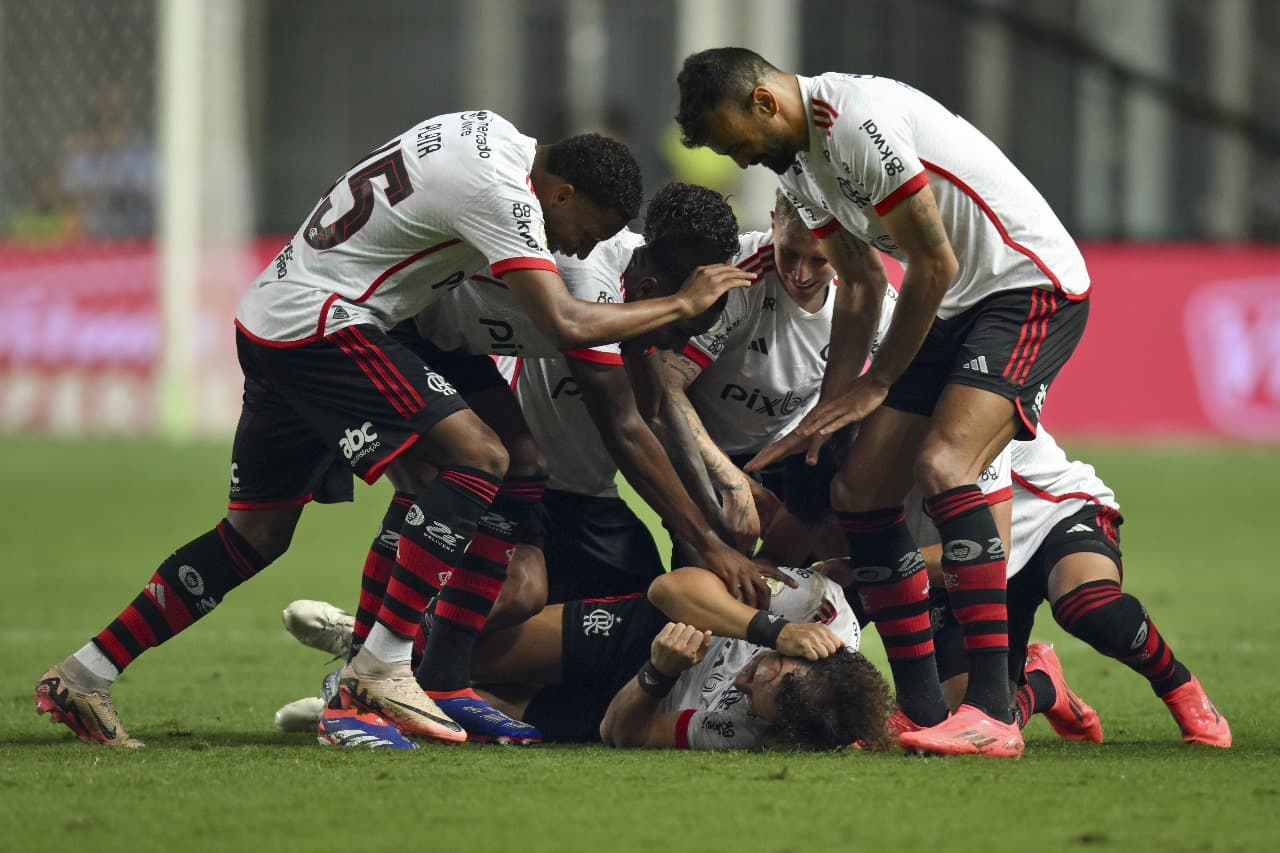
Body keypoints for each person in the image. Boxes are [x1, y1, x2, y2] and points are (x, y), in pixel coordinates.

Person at [34, 111, 753, 748]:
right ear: (558, 193)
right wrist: (681, 306)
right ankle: (378, 666)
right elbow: (574, 336)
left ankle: (87, 671)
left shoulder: (491, 140)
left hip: (279, 315)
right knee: (476, 456)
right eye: (580, 230)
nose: (572, 246)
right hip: (328, 325)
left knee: (257, 535)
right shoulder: (512, 204)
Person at [676, 48, 1092, 757]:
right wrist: (827, 414)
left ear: (765, 104)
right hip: (963, 303)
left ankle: (994, 710)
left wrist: (876, 385)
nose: (738, 158)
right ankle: (925, 709)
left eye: (732, 140)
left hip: (1030, 284)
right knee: (860, 490)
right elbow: (863, 283)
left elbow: (934, 263)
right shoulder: (798, 165)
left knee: (945, 463)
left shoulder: (854, 125)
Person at [278, 562, 893, 751]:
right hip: (655, 625)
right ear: (818, 656)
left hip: (655, 674)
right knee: (484, 651)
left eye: (761, 691)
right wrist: (767, 631)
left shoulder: (752, 733)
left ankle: (355, 700)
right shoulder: (822, 611)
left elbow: (619, 731)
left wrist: (659, 672)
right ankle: (368, 641)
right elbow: (670, 589)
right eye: (777, 670)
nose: (753, 674)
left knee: (491, 720)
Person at [926, 427, 1231, 748]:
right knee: (974, 711)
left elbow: (991, 545)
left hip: (1057, 512)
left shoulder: (965, 411)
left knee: (1089, 606)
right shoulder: (890, 426)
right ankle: (1043, 686)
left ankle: (1178, 685)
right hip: (974, 552)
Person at [657, 191, 897, 548]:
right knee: (717, 578)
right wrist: (732, 481)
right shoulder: (735, 276)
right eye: (789, 253)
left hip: (798, 452)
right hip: (710, 453)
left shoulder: (874, 299)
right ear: (772, 224)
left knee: (825, 566)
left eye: (820, 260)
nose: (801, 274)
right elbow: (664, 387)